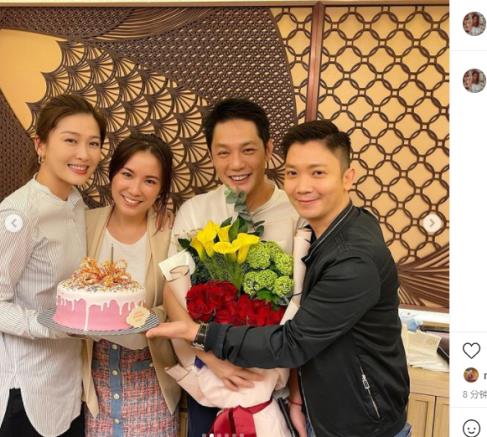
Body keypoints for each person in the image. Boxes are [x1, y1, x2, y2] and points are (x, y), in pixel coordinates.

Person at [149, 120, 411, 437]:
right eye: (293, 173)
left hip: (360, 425)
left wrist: (200, 333)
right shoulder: (337, 230)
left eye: (318, 173)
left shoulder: (352, 258)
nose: (303, 186)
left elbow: (292, 343)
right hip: (322, 411)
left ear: (347, 177)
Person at [162, 98, 302, 436]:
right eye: (223, 152)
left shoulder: (296, 213)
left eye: (248, 150)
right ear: (211, 155)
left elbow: (306, 309)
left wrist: (297, 393)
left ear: (269, 149)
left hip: (274, 387)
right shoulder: (195, 212)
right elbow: (171, 292)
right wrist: (213, 360)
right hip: (210, 382)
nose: (236, 163)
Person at [0, 94, 106, 437]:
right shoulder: (19, 214)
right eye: (71, 140)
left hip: (68, 384)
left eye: (93, 143)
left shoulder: (75, 202)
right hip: (26, 390)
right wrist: (51, 325)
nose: (84, 154)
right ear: (41, 145)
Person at [82, 133, 180, 436]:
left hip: (152, 375)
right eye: (127, 174)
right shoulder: (85, 223)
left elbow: (180, 304)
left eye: (150, 181)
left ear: (161, 188)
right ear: (112, 174)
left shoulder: (170, 231)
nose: (135, 190)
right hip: (95, 379)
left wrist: (151, 317)